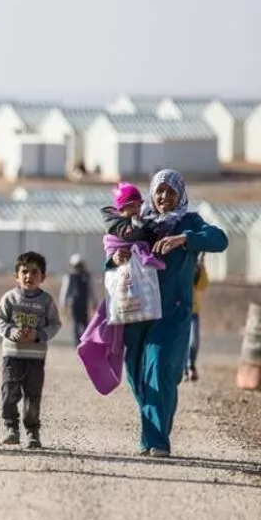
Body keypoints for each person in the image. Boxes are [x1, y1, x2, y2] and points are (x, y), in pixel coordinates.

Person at [108, 169, 227, 457]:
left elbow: (219, 239)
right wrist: (115, 258)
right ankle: (151, 435)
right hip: (137, 311)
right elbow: (112, 255)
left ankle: (157, 441)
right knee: (137, 374)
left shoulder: (189, 222)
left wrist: (183, 239)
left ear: (180, 195)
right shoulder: (139, 221)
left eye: (170, 192)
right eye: (159, 191)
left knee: (160, 370)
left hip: (172, 313)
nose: (164, 197)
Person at [0, 251, 61, 449]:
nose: (29, 276)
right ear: (17, 276)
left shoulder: (46, 301)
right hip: (12, 356)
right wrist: (11, 332)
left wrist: (39, 335)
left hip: (36, 357)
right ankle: (11, 429)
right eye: (24, 272)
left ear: (43, 277)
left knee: (32, 395)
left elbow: (55, 324)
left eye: (34, 272)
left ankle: (32, 432)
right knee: (9, 393)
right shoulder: (10, 298)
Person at [58, 253, 95, 345]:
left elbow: (91, 289)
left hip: (84, 303)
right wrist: (63, 304)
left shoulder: (86, 276)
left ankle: (86, 341)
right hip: (74, 303)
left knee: (85, 322)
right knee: (76, 323)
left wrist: (94, 301)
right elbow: (65, 291)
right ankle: (77, 342)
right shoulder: (70, 276)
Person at [186, 254, 209, 382]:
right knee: (182, 343)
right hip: (179, 308)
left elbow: (202, 286)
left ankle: (191, 365)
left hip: (193, 310)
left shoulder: (197, 269)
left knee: (194, 341)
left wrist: (201, 269)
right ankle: (184, 369)